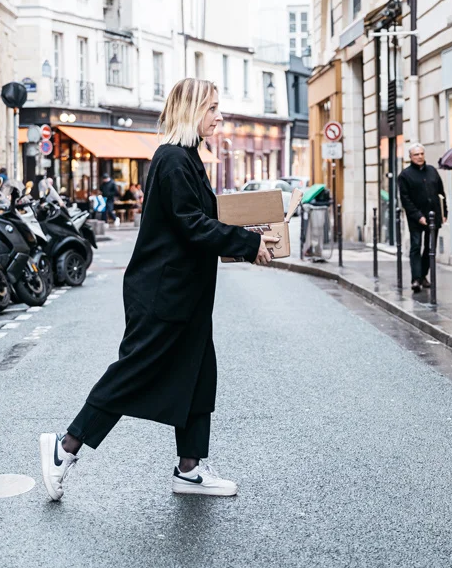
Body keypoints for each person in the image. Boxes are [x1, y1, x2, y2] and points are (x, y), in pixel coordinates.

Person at [39, 78, 277, 501]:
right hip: (163, 295)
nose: (219, 116)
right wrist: (249, 243)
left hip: (186, 295)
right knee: (133, 374)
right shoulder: (171, 159)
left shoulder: (188, 158)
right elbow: (192, 225)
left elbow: (205, 217)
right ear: (191, 111)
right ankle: (64, 448)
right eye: (212, 108)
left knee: (199, 375)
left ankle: (189, 470)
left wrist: (248, 226)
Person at [397, 144, 446, 292]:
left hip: (434, 216)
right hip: (416, 218)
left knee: (430, 248)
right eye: (416, 154)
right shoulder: (405, 175)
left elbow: (441, 193)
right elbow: (405, 200)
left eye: (421, 154)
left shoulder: (432, 171)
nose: (419, 157)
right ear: (410, 157)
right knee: (416, 246)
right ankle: (416, 279)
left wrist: (445, 213)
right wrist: (418, 216)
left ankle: (423, 275)